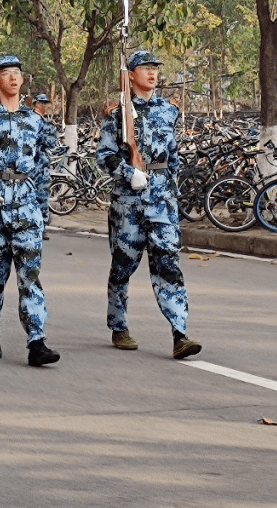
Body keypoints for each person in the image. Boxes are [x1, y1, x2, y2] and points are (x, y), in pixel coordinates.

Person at [96, 50, 201, 360]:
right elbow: (104, 156)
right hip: (129, 202)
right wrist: (130, 173)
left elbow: (173, 156)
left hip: (162, 201)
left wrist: (171, 192)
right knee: (123, 265)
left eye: (155, 67)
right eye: (145, 68)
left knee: (168, 264)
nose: (152, 72)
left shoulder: (169, 111)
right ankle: (118, 325)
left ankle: (179, 333)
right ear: (130, 74)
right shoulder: (116, 114)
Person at [0, 55, 59, 367]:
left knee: (29, 276)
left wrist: (43, 211)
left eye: (17, 73)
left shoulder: (35, 121)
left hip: (27, 203)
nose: (14, 79)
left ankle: (36, 341)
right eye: (7, 74)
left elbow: (43, 166)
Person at [31, 93, 59, 229]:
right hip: (29, 166)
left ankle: (42, 225)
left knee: (42, 196)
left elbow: (52, 142)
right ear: (35, 104)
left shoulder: (46, 123)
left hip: (41, 166)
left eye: (45, 104)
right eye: (41, 103)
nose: (44, 106)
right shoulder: (28, 120)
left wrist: (40, 137)